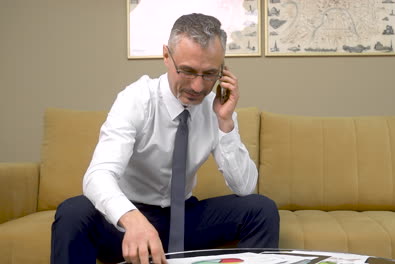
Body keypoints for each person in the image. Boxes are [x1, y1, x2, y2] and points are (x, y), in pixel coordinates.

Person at [51, 13, 279, 264]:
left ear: (222, 70)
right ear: (166, 56)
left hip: (184, 217)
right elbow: (98, 176)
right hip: (130, 220)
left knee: (261, 209)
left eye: (209, 74)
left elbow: (244, 187)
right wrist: (133, 219)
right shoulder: (136, 100)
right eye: (188, 71)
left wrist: (225, 123)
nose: (198, 87)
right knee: (73, 212)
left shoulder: (216, 108)